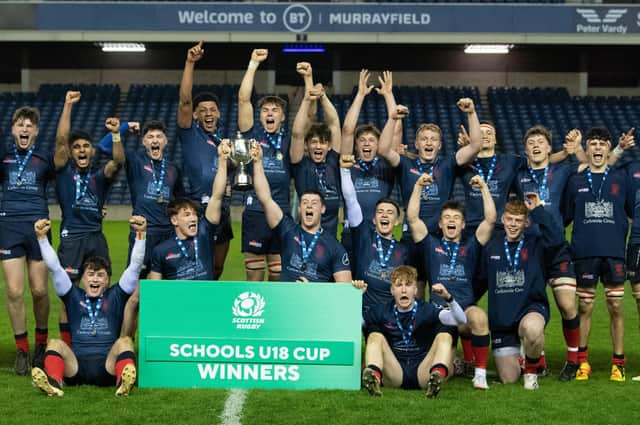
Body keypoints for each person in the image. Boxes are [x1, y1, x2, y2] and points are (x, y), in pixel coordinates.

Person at [30, 215, 147, 397]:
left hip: (107, 366)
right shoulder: (72, 295)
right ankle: (54, 382)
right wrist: (42, 239)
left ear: (108, 281)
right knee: (54, 343)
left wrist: (140, 235)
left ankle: (123, 382)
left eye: (100, 275)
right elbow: (55, 267)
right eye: (90, 274)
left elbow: (135, 266)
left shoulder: (115, 295)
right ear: (83, 279)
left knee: (125, 342)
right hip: (76, 366)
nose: (95, 279)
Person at [407, 173, 496, 390]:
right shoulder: (430, 244)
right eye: (447, 217)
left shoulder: (472, 245)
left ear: (463, 224)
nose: (451, 221)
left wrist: (484, 187)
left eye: (456, 218)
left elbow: (491, 220)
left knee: (480, 317)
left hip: (464, 309)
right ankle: (455, 365)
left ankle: (480, 374)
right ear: (440, 223)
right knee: (439, 368)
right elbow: (412, 219)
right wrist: (418, 186)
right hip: (439, 313)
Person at [53, 90, 124, 347]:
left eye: (85, 147)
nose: (81, 150)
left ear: (92, 151)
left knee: (102, 289)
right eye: (77, 148)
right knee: (68, 294)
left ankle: (101, 340)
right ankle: (67, 346)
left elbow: (117, 160)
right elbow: (61, 141)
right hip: (72, 238)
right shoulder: (62, 173)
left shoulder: (99, 177)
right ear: (71, 153)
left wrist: (116, 133)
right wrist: (68, 105)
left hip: (96, 237)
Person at [564, 127, 631, 382]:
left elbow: (630, 212)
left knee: (615, 305)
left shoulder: (621, 178)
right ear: (587, 149)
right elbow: (566, 216)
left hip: (614, 252)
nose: (598, 148)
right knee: (585, 306)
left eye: (603, 144)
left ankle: (618, 362)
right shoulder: (575, 180)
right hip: (585, 252)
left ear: (608, 148)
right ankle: (582, 362)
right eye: (593, 144)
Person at [479, 197, 561, 390]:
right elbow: (480, 280)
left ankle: (531, 373)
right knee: (509, 378)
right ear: (503, 219)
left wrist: (538, 209)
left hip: (530, 309)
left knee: (532, 330)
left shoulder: (536, 244)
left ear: (526, 222)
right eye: (509, 219)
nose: (513, 225)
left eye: (518, 220)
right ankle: (525, 354)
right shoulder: (491, 247)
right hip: (503, 323)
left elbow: (557, 239)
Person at [0, 106, 54, 374]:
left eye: (29, 125)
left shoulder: (44, 159)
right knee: (13, 291)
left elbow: (68, 184)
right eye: (20, 124)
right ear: (12, 130)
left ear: (36, 131)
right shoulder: (4, 157)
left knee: (40, 291)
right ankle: (22, 349)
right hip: (9, 226)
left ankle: (41, 345)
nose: (24, 129)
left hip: (38, 227)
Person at [359, 265, 467, 398]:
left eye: (408, 285)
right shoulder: (382, 310)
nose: (404, 290)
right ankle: (373, 379)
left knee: (445, 335)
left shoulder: (427, 309)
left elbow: (461, 321)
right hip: (395, 371)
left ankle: (437, 377)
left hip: (424, 372)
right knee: (375, 336)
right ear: (392, 290)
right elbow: (352, 326)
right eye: (399, 285)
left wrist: (448, 298)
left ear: (415, 290)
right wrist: (357, 297)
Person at [378, 100, 482, 237]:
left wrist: (471, 113)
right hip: (411, 234)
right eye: (424, 139)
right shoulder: (405, 163)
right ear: (416, 144)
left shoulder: (448, 163)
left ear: (439, 145)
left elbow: (475, 146)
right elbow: (383, 150)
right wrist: (392, 119)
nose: (428, 142)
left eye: (433, 139)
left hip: (440, 235)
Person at [120, 120, 185, 337]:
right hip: (143, 235)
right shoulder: (136, 160)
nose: (155, 140)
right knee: (135, 295)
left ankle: (160, 342)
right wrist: (120, 130)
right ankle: (124, 346)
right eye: (150, 137)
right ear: (144, 142)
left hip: (167, 236)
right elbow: (107, 151)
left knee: (165, 294)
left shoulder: (174, 169)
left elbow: (180, 201)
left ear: (165, 141)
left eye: (159, 136)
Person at [251, 143, 351, 283]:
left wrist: (311, 290)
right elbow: (265, 198)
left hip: (315, 303)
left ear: (322, 209)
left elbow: (344, 289)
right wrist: (257, 162)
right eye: (304, 203)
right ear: (299, 209)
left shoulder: (334, 247)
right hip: (287, 301)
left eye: (314, 203)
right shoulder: (287, 230)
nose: (309, 206)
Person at [178, 41, 233, 280]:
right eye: (203, 110)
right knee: (196, 267)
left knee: (217, 266)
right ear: (196, 115)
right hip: (198, 208)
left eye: (213, 109)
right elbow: (185, 101)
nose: (208, 113)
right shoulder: (190, 133)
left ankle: (208, 308)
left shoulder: (225, 141)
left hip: (223, 208)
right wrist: (190, 63)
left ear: (219, 113)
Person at [238, 48, 290, 282]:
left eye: (275, 110)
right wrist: (252, 64)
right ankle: (254, 319)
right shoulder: (250, 136)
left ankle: (275, 319)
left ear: (282, 117)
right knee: (255, 276)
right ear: (260, 116)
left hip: (281, 212)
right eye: (265, 110)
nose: (270, 113)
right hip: (255, 213)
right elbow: (243, 99)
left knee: (278, 277)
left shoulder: (290, 141)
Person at [340, 154, 412, 313]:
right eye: (380, 212)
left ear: (397, 221)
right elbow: (351, 201)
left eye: (390, 212)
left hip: (390, 312)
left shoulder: (404, 250)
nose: (385, 215)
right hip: (363, 309)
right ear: (374, 219)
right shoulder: (363, 235)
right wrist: (345, 172)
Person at [148, 141, 229, 280]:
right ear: (174, 220)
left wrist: (222, 161)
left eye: (194, 214)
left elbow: (217, 196)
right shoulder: (161, 250)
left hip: (205, 299)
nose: (193, 218)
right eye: (186, 215)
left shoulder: (204, 232)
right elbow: (157, 289)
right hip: (179, 300)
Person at [339, 70, 397, 257]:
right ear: (356, 145)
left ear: (379, 145)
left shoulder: (385, 165)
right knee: (348, 284)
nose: (366, 143)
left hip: (379, 232)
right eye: (362, 140)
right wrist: (360, 95)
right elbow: (347, 130)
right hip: (351, 233)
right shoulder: (348, 165)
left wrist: (388, 96)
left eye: (371, 140)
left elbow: (396, 132)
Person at [290, 65, 343, 238]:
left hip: (330, 240)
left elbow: (334, 123)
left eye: (322, 143)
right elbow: (297, 133)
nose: (318, 147)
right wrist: (306, 100)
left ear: (329, 146)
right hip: (305, 237)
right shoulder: (301, 165)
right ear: (306, 146)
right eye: (313, 143)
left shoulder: (334, 162)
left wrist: (323, 97)